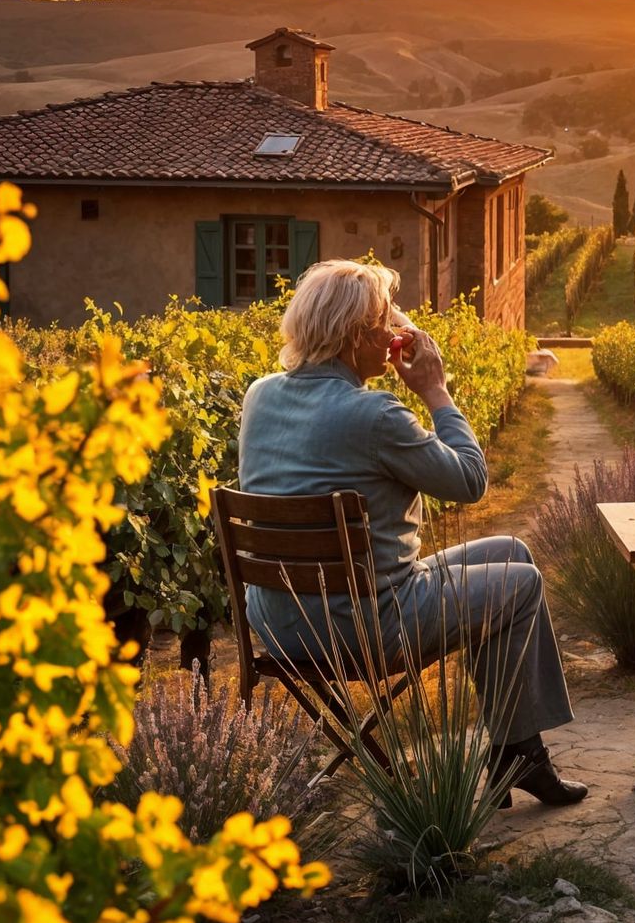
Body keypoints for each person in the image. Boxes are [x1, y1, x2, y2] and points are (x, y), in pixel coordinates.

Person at [238, 258, 586, 807]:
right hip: (362, 625)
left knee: (512, 551)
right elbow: (470, 480)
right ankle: (516, 756)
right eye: (384, 321)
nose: (395, 333)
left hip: (280, 620)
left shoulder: (260, 395)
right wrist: (436, 390)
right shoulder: (373, 416)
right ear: (355, 336)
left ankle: (517, 752)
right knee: (521, 586)